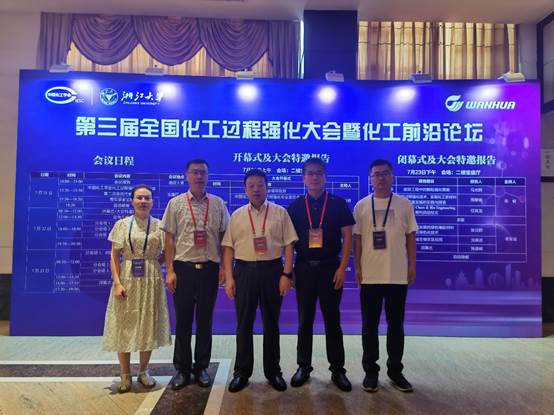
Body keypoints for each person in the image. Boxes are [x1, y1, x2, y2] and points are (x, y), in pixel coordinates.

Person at [222, 169, 298, 393]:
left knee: (271, 323)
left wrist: (286, 275)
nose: (256, 189)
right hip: (244, 271)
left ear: (267, 187)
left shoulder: (280, 213)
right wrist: (229, 278)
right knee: (244, 323)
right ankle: (241, 372)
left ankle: (273, 371)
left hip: (272, 271)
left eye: (260, 185)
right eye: (251, 185)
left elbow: (289, 245)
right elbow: (228, 248)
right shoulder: (237, 215)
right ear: (245, 189)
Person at [287, 158, 355, 391]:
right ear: (303, 177)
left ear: (325, 176)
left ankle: (338, 370)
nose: (314, 177)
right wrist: (289, 271)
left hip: (330, 268)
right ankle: (303, 367)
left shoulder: (338, 204)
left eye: (318, 173)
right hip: (304, 269)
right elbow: (289, 242)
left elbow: (348, 236)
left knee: (332, 320)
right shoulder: (295, 207)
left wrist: (342, 268)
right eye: (310, 173)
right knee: (304, 320)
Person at [160, 159, 230, 389]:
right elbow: (168, 239)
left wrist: (224, 268)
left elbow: (225, 238)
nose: (199, 176)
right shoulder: (176, 203)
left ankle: (201, 368)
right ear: (186, 175)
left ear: (208, 176)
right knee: (183, 321)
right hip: (183, 269)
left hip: (209, 269)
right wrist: (170, 270)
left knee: (205, 321)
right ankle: (182, 369)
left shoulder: (218, 204)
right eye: (194, 172)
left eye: (203, 173)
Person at [353, 159, 418, 393]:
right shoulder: (361, 206)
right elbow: (357, 239)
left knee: (396, 326)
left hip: (397, 276)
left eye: (385, 174)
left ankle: (395, 371)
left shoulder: (404, 204)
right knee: (369, 326)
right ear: (370, 179)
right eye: (376, 174)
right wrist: (357, 268)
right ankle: (371, 372)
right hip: (370, 276)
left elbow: (411, 236)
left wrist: (412, 265)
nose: (380, 178)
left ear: (392, 177)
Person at [103, 184, 171, 393]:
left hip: (151, 280)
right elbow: (114, 256)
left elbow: (167, 252)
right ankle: (125, 374)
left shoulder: (159, 225)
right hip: (127, 279)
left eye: (147, 198)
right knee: (124, 324)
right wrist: (117, 282)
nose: (143, 201)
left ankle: (143, 371)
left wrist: (153, 262)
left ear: (152, 202)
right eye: (139, 197)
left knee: (148, 324)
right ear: (132, 201)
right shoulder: (122, 224)